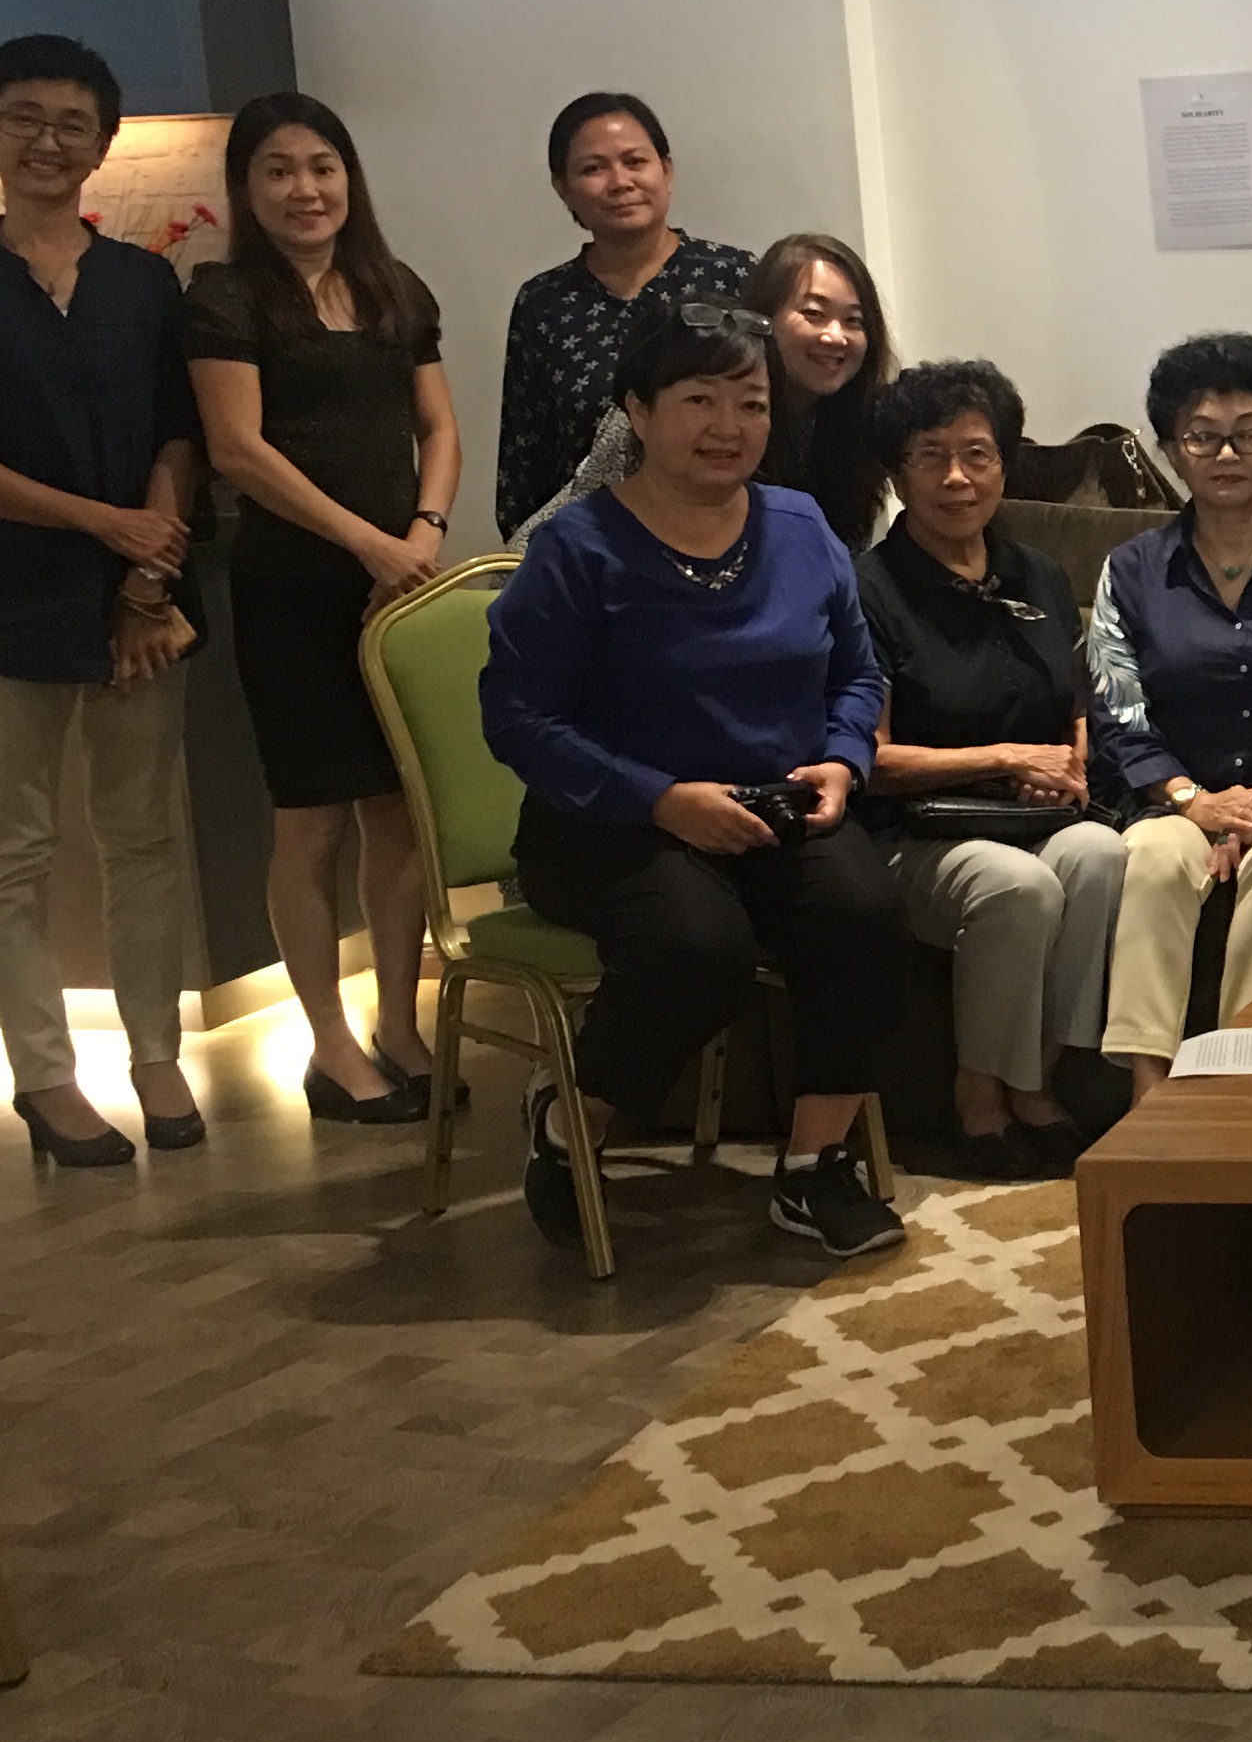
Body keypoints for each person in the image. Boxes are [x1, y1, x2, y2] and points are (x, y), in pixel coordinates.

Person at [480, 307, 910, 1258]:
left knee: (868, 911)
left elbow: (857, 673)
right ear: (637, 411)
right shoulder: (576, 549)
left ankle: (814, 1169)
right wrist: (659, 798)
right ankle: (570, 1121)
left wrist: (844, 759)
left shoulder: (801, 526)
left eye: (750, 403)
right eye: (699, 400)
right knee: (697, 945)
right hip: (609, 825)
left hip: (773, 809)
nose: (728, 425)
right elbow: (518, 718)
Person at [0, 35, 206, 1166]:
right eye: (25, 118)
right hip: (0, 604)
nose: (48, 142)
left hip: (138, 606)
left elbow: (180, 434)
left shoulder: (143, 283)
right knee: (12, 844)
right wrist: (100, 523)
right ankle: (45, 1077)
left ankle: (157, 1055)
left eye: (73, 123)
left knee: (144, 837)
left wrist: (147, 575)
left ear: (104, 144)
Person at [184, 93, 461, 1125]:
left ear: (350, 178)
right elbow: (237, 449)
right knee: (310, 824)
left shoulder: (394, 287)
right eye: (279, 170)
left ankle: (399, 1024)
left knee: (398, 816)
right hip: (293, 592)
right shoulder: (224, 298)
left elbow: (438, 426)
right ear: (246, 189)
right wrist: (366, 541)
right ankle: (330, 1047)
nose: (305, 189)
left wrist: (424, 529)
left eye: (323, 167)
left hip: (399, 592)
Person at [857, 358, 1127, 1180]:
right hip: (915, 833)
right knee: (1019, 886)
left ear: (1005, 465)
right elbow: (870, 757)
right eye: (930, 456)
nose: (956, 477)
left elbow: (1076, 704)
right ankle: (978, 1093)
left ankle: (1036, 1077)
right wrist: (1007, 757)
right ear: (897, 472)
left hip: (1031, 816)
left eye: (977, 454)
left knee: (1102, 854)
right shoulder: (871, 589)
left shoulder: (1036, 573)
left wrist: (1071, 763)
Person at [1088, 332, 1252, 1097]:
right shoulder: (1131, 571)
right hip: (1175, 802)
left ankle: (1244, 1089)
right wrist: (1194, 803)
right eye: (1203, 436)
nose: (1227, 454)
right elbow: (1116, 712)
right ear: (1173, 450)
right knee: (1152, 858)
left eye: (1250, 434)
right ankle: (1147, 1094)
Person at [511, 232, 890, 548]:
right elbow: (573, 532)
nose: (836, 336)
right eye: (814, 314)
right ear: (762, 318)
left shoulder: (855, 427)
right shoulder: (665, 406)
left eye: (854, 321)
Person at [490, 93, 752, 534]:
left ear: (666, 170)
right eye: (593, 169)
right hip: (589, 547)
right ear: (563, 188)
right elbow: (525, 464)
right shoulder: (543, 302)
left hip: (723, 532)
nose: (619, 182)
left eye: (635, 162)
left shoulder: (732, 276)